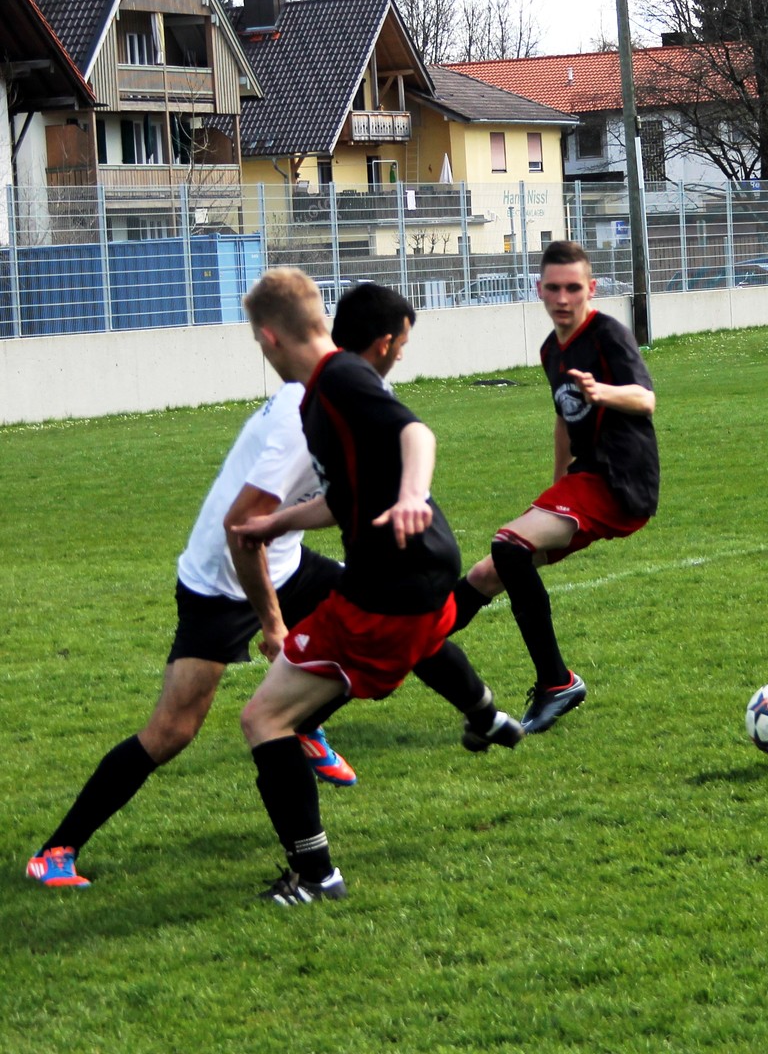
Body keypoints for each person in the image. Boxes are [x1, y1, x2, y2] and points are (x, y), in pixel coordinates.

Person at [25, 282, 416, 890]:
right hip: (223, 581)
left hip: (284, 561)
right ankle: (57, 851)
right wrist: (273, 625)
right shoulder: (298, 412)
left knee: (393, 618)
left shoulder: (348, 389)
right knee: (173, 731)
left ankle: (326, 724)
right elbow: (241, 531)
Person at [236, 268, 522, 907]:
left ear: (271, 336)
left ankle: (316, 878)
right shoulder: (319, 400)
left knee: (265, 718)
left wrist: (414, 493)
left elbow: (416, 432)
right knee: (360, 673)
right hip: (412, 585)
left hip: (389, 586)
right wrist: (280, 520)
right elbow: (346, 500)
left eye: (259, 345)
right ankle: (485, 718)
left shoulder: (340, 378)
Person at [452, 239, 660, 736]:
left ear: (591, 288)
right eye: (553, 288)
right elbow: (563, 423)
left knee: (509, 544)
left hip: (620, 478)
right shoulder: (551, 349)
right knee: (490, 571)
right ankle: (408, 640)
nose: (563, 298)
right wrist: (554, 494)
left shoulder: (607, 334)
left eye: (573, 288)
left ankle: (556, 682)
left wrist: (601, 391)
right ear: (538, 291)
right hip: (583, 480)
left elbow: (645, 398)